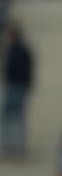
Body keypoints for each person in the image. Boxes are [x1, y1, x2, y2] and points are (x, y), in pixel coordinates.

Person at [1, 20, 34, 156]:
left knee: (13, 118)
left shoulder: (18, 50)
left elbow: (21, 70)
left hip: (16, 87)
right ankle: (14, 145)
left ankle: (14, 146)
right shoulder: (18, 49)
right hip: (16, 86)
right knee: (14, 118)